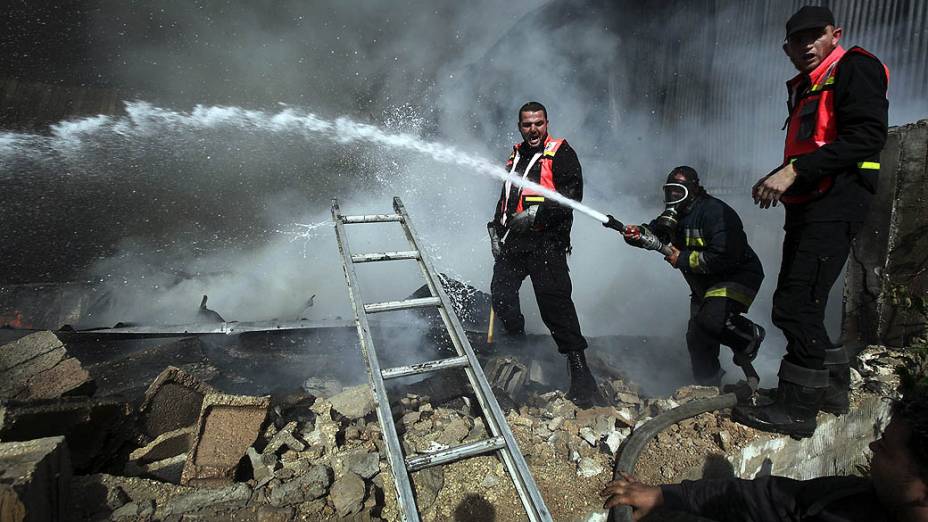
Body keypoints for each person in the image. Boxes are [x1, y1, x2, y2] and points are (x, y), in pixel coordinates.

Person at [732, 5, 889, 438]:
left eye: (813, 36)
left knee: (794, 305)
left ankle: (796, 408)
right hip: (811, 204)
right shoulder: (807, 85)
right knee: (806, 302)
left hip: (837, 202)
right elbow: (815, 144)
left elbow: (867, 136)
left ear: (834, 34)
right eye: (796, 41)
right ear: (786, 49)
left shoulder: (855, 68)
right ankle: (833, 391)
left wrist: (793, 172)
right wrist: (779, 176)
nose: (805, 46)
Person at [600, 384, 928, 522]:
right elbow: (763, 497)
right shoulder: (848, 498)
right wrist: (663, 496)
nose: (872, 447)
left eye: (885, 450)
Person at [487, 101, 604, 407]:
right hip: (513, 244)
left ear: (547, 123)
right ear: (519, 126)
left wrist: (536, 214)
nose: (533, 129)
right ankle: (516, 345)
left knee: (556, 307)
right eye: (527, 124)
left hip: (545, 244)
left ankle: (581, 376)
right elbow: (508, 198)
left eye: (538, 123)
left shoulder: (561, 152)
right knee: (500, 295)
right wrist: (494, 229)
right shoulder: (516, 156)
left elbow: (572, 196)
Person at [623, 166, 765, 387]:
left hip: (736, 277)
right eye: (669, 192)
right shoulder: (675, 216)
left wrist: (684, 259)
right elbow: (656, 233)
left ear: (694, 190)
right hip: (704, 283)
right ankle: (707, 384)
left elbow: (726, 256)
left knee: (710, 320)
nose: (673, 197)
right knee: (697, 335)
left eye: (678, 192)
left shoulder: (715, 213)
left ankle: (750, 337)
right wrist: (637, 235)